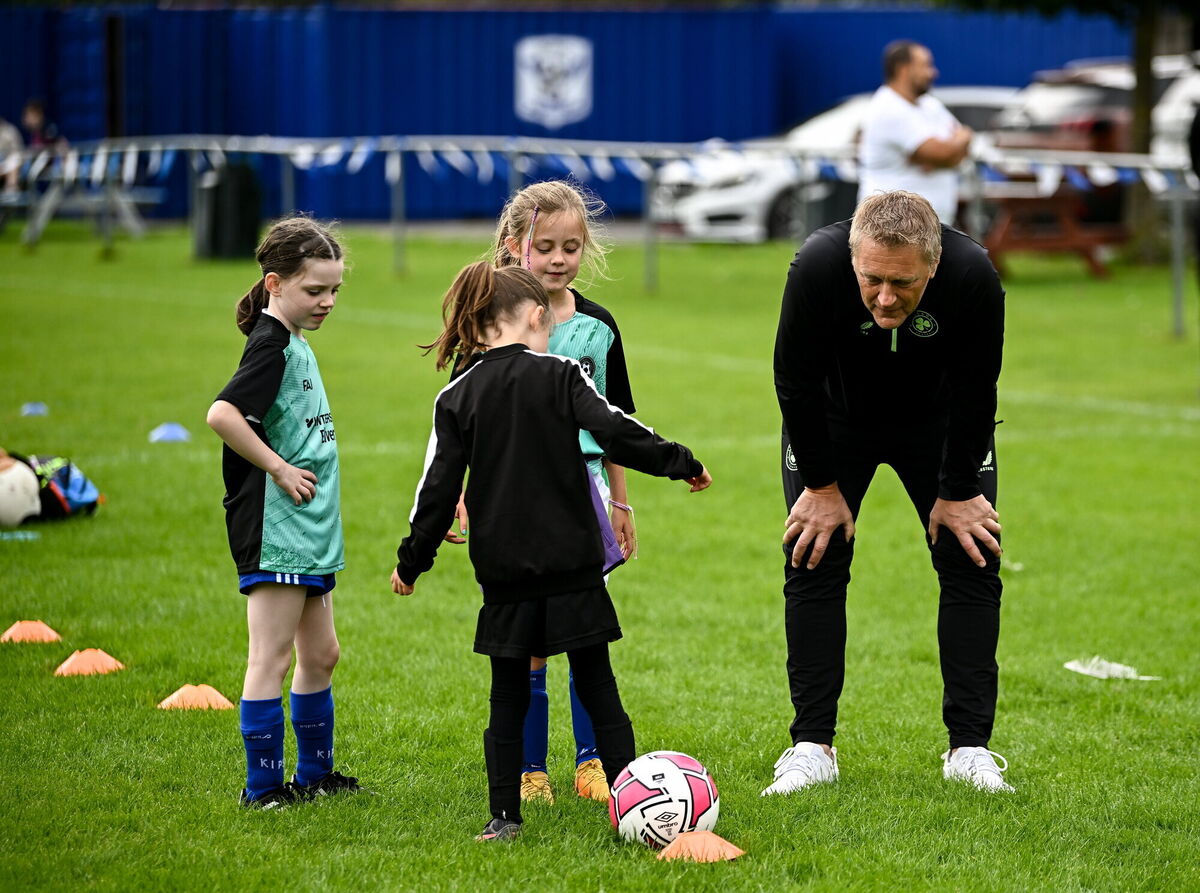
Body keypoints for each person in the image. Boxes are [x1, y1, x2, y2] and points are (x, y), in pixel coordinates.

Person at [392, 262, 711, 841]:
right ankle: (632, 806)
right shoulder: (562, 374)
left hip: (505, 576)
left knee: (506, 696)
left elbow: (436, 492)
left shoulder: (455, 395)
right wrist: (681, 461)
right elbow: (618, 431)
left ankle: (503, 819)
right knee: (598, 686)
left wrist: (411, 562)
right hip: (574, 569)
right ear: (537, 318)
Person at [767, 190, 1011, 796]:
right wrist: (821, 486)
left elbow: (980, 389)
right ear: (852, 258)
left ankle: (970, 750)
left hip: (941, 423)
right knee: (813, 556)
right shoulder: (817, 266)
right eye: (871, 279)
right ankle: (811, 747)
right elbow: (793, 382)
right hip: (833, 419)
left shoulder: (975, 275)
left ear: (934, 264)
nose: (883, 297)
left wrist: (956, 492)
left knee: (972, 557)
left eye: (902, 283)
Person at [481, 180, 636, 806]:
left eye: (571, 247)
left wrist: (621, 504)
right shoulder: (493, 324)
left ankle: (593, 763)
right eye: (544, 246)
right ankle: (528, 769)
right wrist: (468, 496)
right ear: (517, 245)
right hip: (516, 501)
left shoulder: (598, 327)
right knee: (530, 645)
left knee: (585, 634)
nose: (557, 259)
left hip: (586, 501)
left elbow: (622, 422)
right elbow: (472, 423)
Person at [207, 216, 362, 809]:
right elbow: (222, 415)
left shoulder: (293, 340)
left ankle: (315, 775)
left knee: (322, 654)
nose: (326, 302)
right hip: (276, 527)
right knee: (269, 657)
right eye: (314, 290)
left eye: (334, 291)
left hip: (309, 525)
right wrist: (277, 467)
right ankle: (264, 789)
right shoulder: (270, 344)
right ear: (274, 283)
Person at [857, 41, 973, 225]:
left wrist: (950, 149)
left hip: (929, 228)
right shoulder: (889, 107)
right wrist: (949, 151)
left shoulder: (930, 104)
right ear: (903, 69)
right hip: (892, 226)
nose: (934, 73)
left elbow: (963, 139)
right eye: (926, 65)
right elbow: (944, 153)